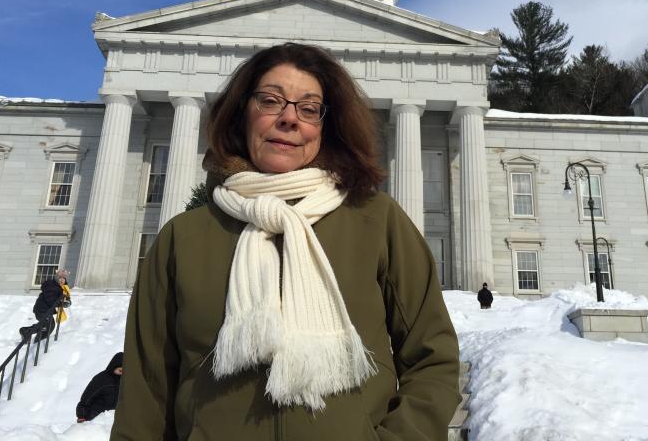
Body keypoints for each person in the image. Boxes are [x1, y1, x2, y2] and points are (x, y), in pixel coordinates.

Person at [113, 43, 461, 440]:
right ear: (241, 112)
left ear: (326, 127)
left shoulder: (377, 220)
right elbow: (145, 392)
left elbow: (433, 357)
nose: (289, 119)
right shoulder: (183, 237)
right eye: (270, 101)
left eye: (309, 109)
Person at [20, 269, 69, 341]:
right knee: (49, 325)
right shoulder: (51, 285)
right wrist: (61, 303)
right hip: (41, 309)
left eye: (63, 279)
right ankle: (32, 336)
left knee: (48, 325)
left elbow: (62, 298)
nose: (62, 280)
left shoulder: (61, 288)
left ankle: (29, 333)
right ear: (56, 278)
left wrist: (66, 301)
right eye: (60, 278)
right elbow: (51, 299)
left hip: (46, 310)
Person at [76, 352, 123, 422]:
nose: (122, 373)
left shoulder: (126, 381)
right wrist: (82, 414)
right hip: (96, 418)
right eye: (120, 370)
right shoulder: (102, 379)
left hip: (114, 420)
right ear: (114, 366)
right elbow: (87, 397)